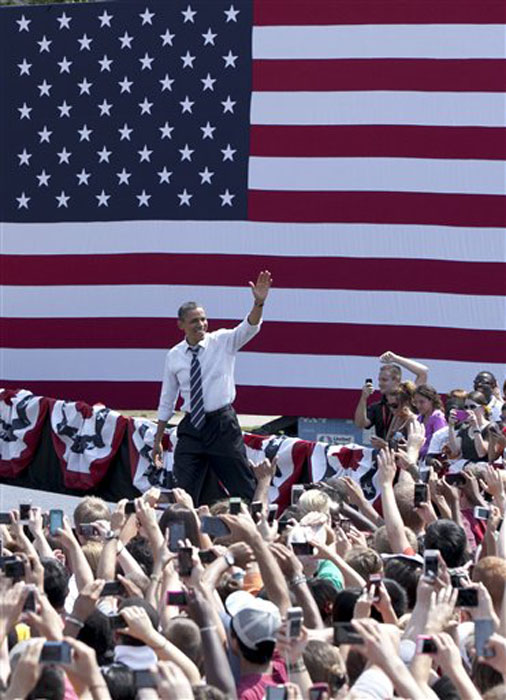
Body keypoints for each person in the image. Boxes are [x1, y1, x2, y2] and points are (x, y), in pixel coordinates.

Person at [152, 271, 272, 505]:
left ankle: (257, 530)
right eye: (194, 321)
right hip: (192, 428)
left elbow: (250, 327)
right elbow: (167, 399)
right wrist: (158, 437)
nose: (201, 324)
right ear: (181, 325)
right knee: (182, 491)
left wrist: (259, 302)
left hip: (222, 426)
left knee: (243, 487)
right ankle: (184, 532)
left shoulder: (222, 341)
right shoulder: (174, 355)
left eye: (203, 319)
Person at [354, 351, 428, 440]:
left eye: (384, 380)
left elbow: (423, 372)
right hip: (384, 452)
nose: (380, 384)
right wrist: (363, 398)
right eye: (379, 380)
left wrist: (395, 358)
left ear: (396, 381)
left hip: (407, 451)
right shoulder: (378, 407)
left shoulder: (409, 399)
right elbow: (360, 424)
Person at [413, 384, 447, 459]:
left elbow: (440, 444)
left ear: (431, 400)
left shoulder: (438, 417)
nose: (418, 406)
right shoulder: (419, 418)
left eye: (422, 402)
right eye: (416, 402)